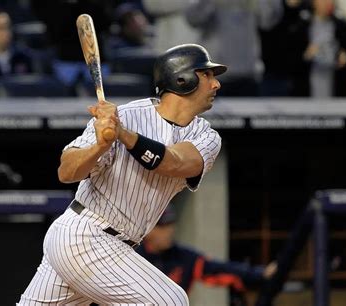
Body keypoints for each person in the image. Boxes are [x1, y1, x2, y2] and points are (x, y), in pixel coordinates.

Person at [18, 43, 226, 305]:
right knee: (170, 301)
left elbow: (174, 163)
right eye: (207, 75)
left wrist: (124, 135)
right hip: (85, 234)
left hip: (112, 246)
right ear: (182, 78)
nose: (216, 84)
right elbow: (67, 171)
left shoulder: (206, 136)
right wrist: (99, 146)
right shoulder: (126, 115)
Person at [137, 204, 277, 296]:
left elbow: (221, 270)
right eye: (162, 227)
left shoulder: (185, 258)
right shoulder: (132, 256)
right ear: (147, 230)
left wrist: (261, 273)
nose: (169, 231)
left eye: (170, 225)